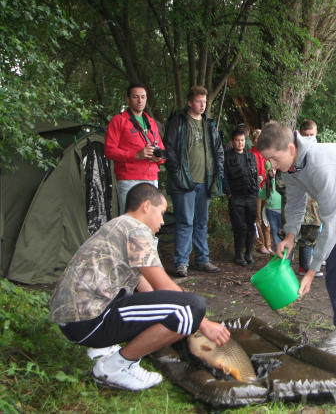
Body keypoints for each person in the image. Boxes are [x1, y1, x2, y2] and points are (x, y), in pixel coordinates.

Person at [49, 183, 230, 391]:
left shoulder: (118, 225)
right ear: (146, 206)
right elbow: (163, 285)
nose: (163, 221)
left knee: (171, 306)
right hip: (87, 321)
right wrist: (203, 323)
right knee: (191, 308)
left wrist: (165, 312)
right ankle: (115, 366)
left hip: (72, 319)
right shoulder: (136, 230)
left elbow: (146, 286)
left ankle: (101, 348)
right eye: (161, 213)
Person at [258, 121, 336, 362]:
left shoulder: (319, 164)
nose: (272, 166)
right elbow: (296, 203)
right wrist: (290, 235)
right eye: (269, 160)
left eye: (274, 159)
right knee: (335, 268)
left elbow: (332, 221)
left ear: (290, 148)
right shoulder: (293, 167)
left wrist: (310, 270)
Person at [164, 85, 225, 277]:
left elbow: (219, 151)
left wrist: (218, 173)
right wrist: (177, 173)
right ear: (190, 102)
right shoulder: (178, 122)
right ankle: (181, 262)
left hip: (205, 182)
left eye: (205, 101)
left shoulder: (209, 125)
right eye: (199, 101)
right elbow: (169, 149)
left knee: (201, 222)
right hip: (184, 182)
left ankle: (202, 259)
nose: (202, 105)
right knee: (185, 222)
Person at [105, 83, 165, 214]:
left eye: (143, 97)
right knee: (130, 219)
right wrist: (136, 155)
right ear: (127, 99)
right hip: (129, 178)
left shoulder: (151, 122)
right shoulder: (118, 120)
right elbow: (109, 150)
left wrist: (159, 157)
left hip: (151, 177)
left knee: (151, 217)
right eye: (135, 97)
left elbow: (162, 150)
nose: (140, 100)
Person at [223, 129, 259, 266]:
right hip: (236, 196)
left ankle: (248, 253)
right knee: (240, 226)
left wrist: (255, 191)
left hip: (251, 196)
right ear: (233, 142)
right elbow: (224, 176)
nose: (240, 143)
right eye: (237, 140)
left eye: (242, 140)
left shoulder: (250, 156)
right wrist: (229, 193)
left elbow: (255, 175)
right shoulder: (228, 157)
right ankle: (239, 255)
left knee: (251, 226)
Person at [297, 119, 323, 278]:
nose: (308, 138)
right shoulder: (294, 152)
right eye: (305, 135)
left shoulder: (320, 152)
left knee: (310, 236)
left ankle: (305, 267)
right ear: (300, 134)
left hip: (314, 205)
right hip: (297, 204)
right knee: (291, 236)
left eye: (311, 135)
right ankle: (284, 269)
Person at [249, 129, 272, 255]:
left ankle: (268, 244)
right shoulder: (250, 154)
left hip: (267, 189)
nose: (259, 141)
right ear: (253, 140)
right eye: (256, 138)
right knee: (256, 217)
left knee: (265, 217)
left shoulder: (267, 154)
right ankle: (260, 244)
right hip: (256, 190)